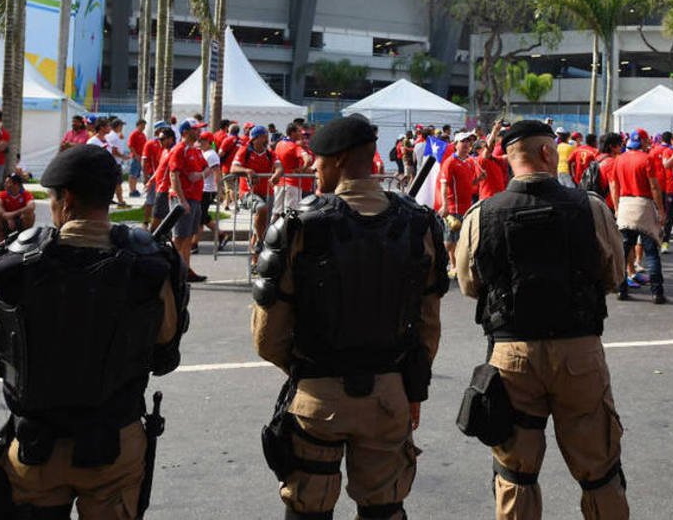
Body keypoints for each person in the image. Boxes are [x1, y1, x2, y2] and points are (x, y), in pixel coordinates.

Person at [251, 114, 446, 520]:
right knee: (385, 508)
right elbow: (428, 325)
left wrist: (308, 367)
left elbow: (267, 337)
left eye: (317, 161)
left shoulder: (299, 225)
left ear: (338, 160)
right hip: (389, 394)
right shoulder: (419, 224)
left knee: (309, 509)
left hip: (317, 396)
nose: (313, 168)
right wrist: (410, 388)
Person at [0, 144, 189, 519]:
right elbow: (164, 350)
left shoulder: (13, 266)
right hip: (114, 446)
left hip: (36, 449)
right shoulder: (150, 267)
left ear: (66, 199)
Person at [454, 120, 631, 520]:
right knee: (600, 473)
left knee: (514, 473)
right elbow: (614, 275)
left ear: (508, 157)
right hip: (579, 352)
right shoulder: (592, 208)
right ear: (549, 154)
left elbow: (468, 284)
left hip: (512, 354)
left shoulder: (483, 214)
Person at [610, 129, 666, 303]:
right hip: (644, 205)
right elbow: (655, 187)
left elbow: (614, 185)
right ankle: (657, 292)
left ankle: (621, 289)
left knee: (623, 250)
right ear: (642, 141)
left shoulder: (619, 159)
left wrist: (617, 207)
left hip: (625, 205)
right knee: (651, 252)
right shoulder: (647, 158)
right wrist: (661, 210)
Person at [168, 118, 208, 282]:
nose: (199, 132)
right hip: (184, 199)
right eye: (195, 129)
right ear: (185, 132)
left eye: (199, 129)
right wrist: (181, 200)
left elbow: (208, 168)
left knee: (188, 237)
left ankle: (185, 271)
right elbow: (173, 175)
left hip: (195, 198)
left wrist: (200, 175)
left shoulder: (195, 150)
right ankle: (171, 272)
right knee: (179, 238)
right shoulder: (179, 150)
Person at [231, 125, 275, 264]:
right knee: (261, 209)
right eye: (264, 136)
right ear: (256, 138)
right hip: (248, 192)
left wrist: (277, 174)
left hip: (267, 192)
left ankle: (255, 261)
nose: (267, 138)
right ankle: (258, 248)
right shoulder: (244, 150)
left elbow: (279, 166)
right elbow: (233, 168)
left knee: (263, 226)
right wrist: (248, 171)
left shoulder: (269, 153)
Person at [438, 132, 478, 275]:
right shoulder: (450, 162)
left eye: (468, 141)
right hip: (453, 207)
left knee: (462, 239)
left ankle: (459, 265)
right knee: (450, 239)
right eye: (463, 141)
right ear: (456, 144)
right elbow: (444, 185)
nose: (467, 144)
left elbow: (468, 184)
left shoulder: (469, 161)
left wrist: (479, 180)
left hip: (467, 207)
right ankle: (452, 265)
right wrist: (445, 205)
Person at [194, 131, 228, 252]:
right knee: (203, 216)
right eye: (199, 140)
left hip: (208, 190)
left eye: (202, 140)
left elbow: (217, 173)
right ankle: (221, 234)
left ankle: (194, 244)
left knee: (199, 218)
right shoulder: (202, 153)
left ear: (209, 142)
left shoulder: (211, 155)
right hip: (201, 189)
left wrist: (219, 191)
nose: (200, 143)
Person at [269, 123, 309, 220]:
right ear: (292, 133)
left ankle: (269, 233)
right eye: (298, 131)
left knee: (276, 212)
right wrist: (302, 169)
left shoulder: (278, 144)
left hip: (279, 182)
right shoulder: (294, 146)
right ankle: (287, 234)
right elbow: (308, 159)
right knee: (292, 213)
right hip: (292, 183)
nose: (300, 134)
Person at [143, 126, 174, 230]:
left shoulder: (173, 152)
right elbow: (160, 168)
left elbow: (175, 173)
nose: (159, 141)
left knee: (157, 217)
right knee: (160, 216)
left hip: (165, 190)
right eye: (159, 139)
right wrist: (150, 181)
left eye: (162, 139)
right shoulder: (165, 151)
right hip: (159, 188)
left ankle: (152, 238)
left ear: (170, 139)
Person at [0, 173, 35, 242]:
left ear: (16, 184)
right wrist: (6, 216)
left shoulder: (26, 194)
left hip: (20, 219)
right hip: (6, 220)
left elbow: (31, 206)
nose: (5, 184)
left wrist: (13, 214)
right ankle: (1, 236)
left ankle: (25, 236)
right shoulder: (2, 194)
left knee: (29, 214)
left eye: (7, 182)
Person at [106, 118, 131, 208]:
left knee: (113, 183)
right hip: (115, 162)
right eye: (121, 126)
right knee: (118, 183)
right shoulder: (114, 136)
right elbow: (114, 151)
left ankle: (111, 199)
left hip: (112, 162)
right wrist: (124, 157)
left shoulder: (112, 135)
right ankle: (121, 201)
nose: (122, 128)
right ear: (117, 126)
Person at [127, 119, 148, 198]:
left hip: (141, 157)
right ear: (138, 125)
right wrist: (136, 155)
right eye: (142, 125)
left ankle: (134, 189)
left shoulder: (142, 134)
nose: (143, 127)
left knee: (136, 175)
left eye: (144, 125)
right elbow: (130, 145)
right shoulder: (134, 134)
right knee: (133, 174)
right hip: (136, 157)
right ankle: (131, 190)